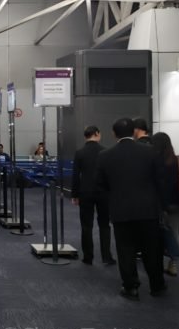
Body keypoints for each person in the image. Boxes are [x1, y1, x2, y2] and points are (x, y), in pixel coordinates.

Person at [96, 118, 167, 300]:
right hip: (148, 210)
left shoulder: (105, 155)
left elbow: (101, 185)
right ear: (134, 132)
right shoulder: (151, 152)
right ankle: (157, 286)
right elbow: (161, 181)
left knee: (125, 249)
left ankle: (131, 287)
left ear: (114, 134)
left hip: (121, 210)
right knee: (152, 249)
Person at [71, 126, 115, 266]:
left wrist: (75, 194)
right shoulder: (106, 151)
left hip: (85, 192)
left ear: (85, 136)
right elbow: (110, 175)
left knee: (86, 225)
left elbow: (75, 176)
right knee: (104, 225)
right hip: (103, 193)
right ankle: (106, 257)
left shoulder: (80, 153)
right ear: (97, 134)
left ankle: (88, 257)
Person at [151, 132, 179, 276]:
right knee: (174, 233)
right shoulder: (177, 160)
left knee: (158, 233)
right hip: (176, 203)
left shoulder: (153, 161)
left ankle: (159, 263)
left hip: (158, 204)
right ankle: (173, 264)